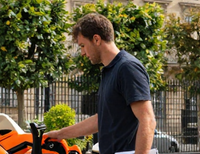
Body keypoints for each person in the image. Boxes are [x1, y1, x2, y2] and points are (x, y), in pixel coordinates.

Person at [45, 13, 156, 154]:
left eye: (83, 46)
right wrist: (60, 134)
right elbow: (101, 120)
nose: (82, 53)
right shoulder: (110, 71)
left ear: (96, 39)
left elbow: (147, 120)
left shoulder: (127, 68)